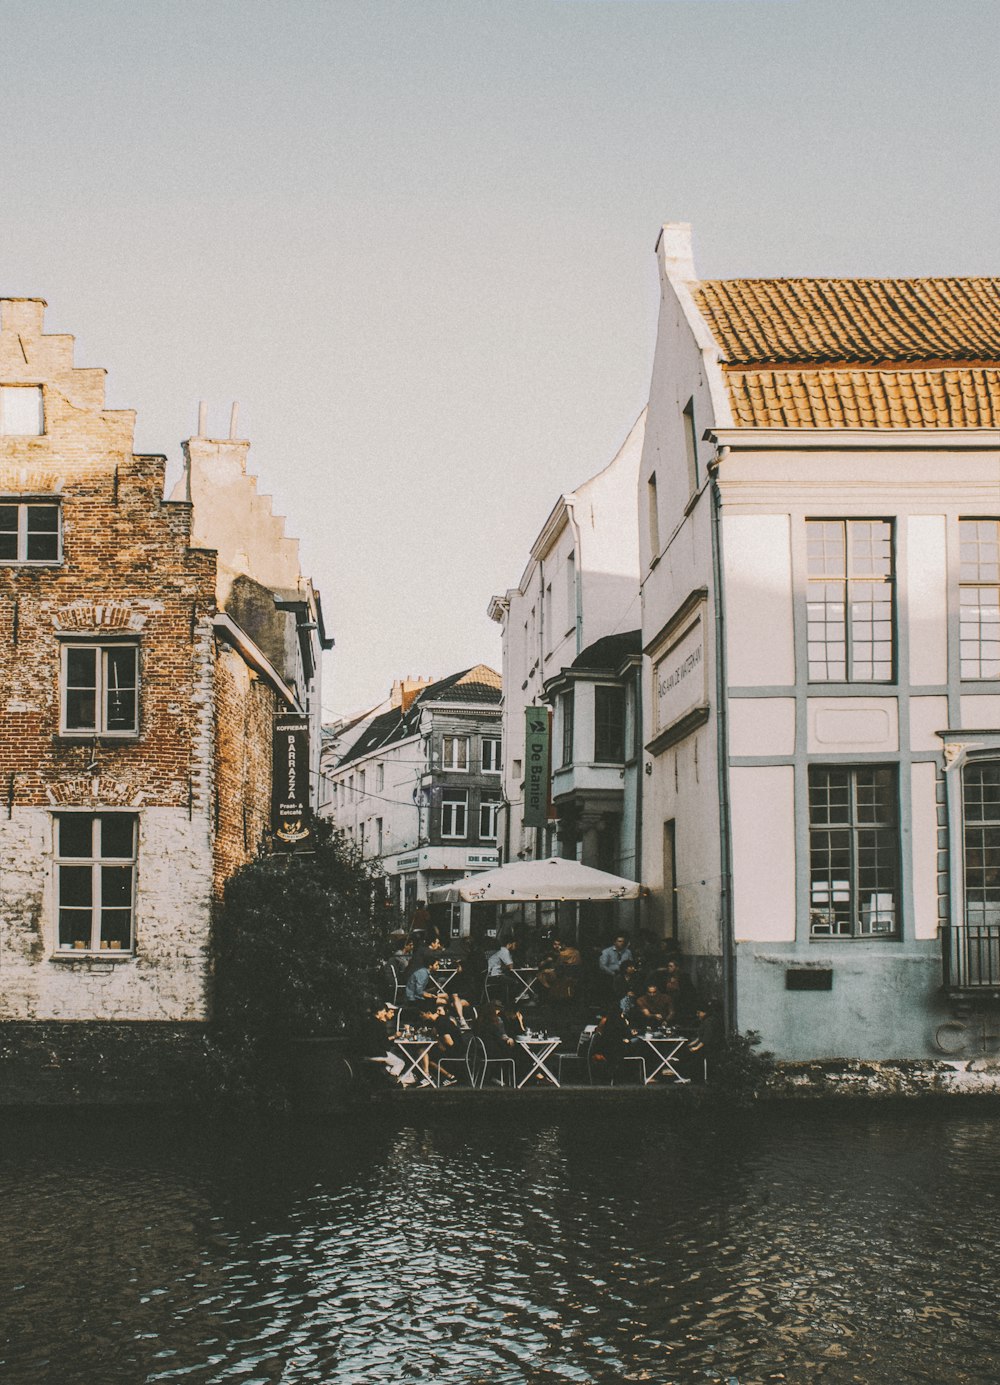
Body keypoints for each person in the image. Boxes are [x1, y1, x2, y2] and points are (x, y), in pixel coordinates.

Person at [358, 1005, 414, 1087]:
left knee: (390, 1062)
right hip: (375, 1053)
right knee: (400, 1062)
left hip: (365, 1051)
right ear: (378, 1012)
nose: (384, 1013)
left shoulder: (367, 1022)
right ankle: (392, 1081)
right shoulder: (379, 1024)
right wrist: (394, 1037)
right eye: (384, 1011)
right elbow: (384, 1043)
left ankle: (386, 1078)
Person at [537, 937, 582, 1003]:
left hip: (563, 975)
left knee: (542, 974)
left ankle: (547, 991)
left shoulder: (563, 954)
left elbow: (558, 966)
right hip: (575, 975)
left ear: (564, 945)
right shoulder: (577, 953)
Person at [486, 938, 519, 1006]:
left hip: (489, 974)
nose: (516, 946)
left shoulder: (501, 950)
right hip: (493, 975)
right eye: (515, 944)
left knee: (507, 980)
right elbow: (511, 967)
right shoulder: (504, 951)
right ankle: (511, 1002)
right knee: (515, 982)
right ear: (509, 944)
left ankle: (504, 1001)